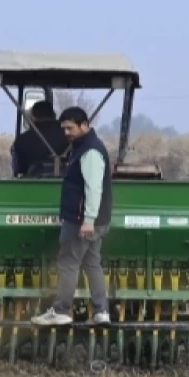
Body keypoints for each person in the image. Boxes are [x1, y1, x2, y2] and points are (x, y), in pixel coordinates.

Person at [31, 106, 112, 326]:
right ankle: (101, 311)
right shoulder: (84, 147)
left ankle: (61, 310)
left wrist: (88, 220)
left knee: (68, 263)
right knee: (92, 263)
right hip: (92, 220)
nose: (66, 132)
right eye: (64, 128)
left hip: (81, 221)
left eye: (70, 128)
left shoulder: (90, 151)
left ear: (84, 125)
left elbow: (94, 188)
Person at [10, 99, 68, 178]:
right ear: (54, 115)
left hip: (31, 185)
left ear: (33, 117)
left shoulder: (21, 140)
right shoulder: (70, 136)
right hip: (68, 183)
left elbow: (17, 167)